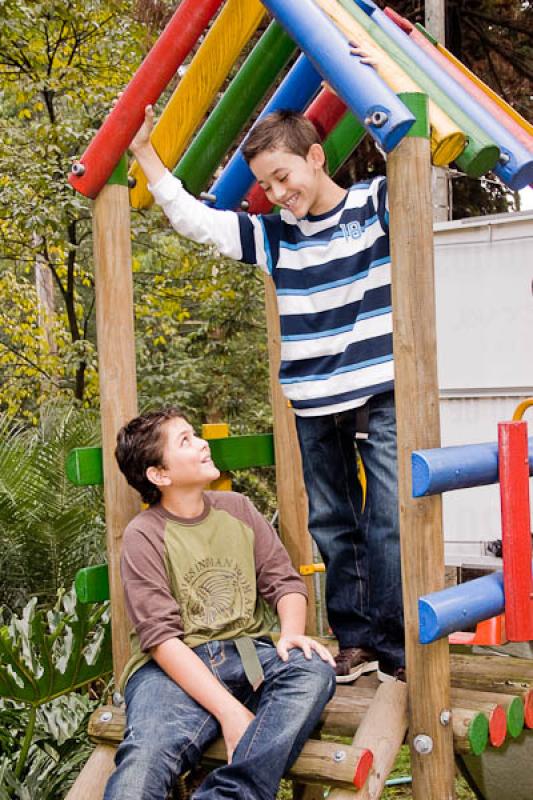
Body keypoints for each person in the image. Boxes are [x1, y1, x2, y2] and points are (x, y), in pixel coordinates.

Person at [128, 90, 405, 684]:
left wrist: (378, 96)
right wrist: (147, 157)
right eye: (267, 186)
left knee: (387, 516)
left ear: (315, 158)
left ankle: (397, 643)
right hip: (312, 398)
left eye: (283, 178)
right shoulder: (276, 235)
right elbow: (197, 223)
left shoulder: (374, 204)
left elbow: (411, 162)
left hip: (379, 388)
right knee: (331, 518)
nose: (278, 195)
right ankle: (356, 640)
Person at [103, 407, 336, 800]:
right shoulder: (144, 535)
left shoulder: (239, 510)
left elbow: (285, 583)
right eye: (186, 441)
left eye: (195, 435)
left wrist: (292, 634)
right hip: (173, 670)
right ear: (159, 475)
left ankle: (228, 794)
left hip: (248, 657)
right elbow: (161, 640)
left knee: (312, 669)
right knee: (145, 757)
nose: (202, 444)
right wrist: (230, 713)